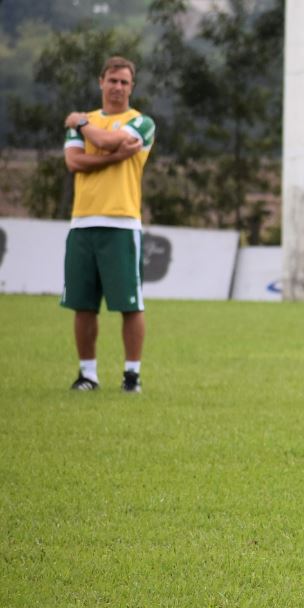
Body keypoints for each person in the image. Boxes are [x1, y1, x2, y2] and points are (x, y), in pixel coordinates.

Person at [61, 56, 156, 393]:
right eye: (112, 80)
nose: (118, 87)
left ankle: (132, 376)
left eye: (124, 82)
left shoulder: (142, 122)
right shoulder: (86, 122)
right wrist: (114, 156)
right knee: (83, 304)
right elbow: (74, 162)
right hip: (82, 222)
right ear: (100, 81)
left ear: (132, 87)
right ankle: (88, 374)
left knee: (130, 304)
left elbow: (102, 143)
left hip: (122, 223)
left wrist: (82, 125)